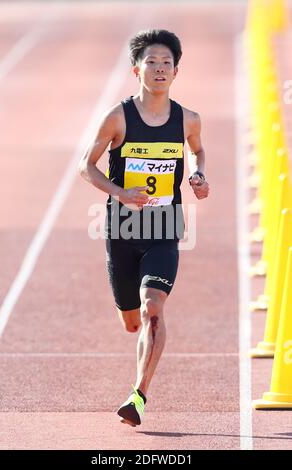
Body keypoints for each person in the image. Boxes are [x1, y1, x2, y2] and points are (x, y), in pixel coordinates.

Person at [78, 29, 209, 427]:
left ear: (175, 72)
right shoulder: (118, 117)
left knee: (154, 309)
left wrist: (200, 175)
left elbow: (198, 149)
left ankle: (139, 394)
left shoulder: (188, 119)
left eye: (167, 63)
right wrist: (120, 192)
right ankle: (135, 333)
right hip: (122, 229)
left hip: (165, 226)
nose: (159, 69)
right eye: (151, 62)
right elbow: (86, 166)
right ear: (136, 69)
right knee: (131, 320)